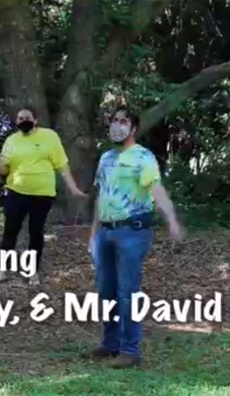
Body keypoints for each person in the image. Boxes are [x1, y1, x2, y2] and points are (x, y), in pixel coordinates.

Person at [82, 106, 184, 368]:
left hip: (133, 232)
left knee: (128, 291)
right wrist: (93, 234)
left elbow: (156, 190)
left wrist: (171, 220)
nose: (117, 125)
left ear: (133, 128)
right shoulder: (105, 158)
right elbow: (101, 197)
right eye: (114, 121)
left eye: (123, 121)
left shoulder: (143, 158)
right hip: (106, 231)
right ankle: (110, 343)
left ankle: (130, 350)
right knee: (106, 291)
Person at [0, 105, 86, 287]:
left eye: (27, 118)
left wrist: (73, 189)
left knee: (36, 232)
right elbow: (3, 170)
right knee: (10, 231)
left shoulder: (49, 136)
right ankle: (2, 269)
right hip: (16, 192)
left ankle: (32, 270)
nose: (23, 121)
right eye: (20, 119)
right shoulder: (11, 141)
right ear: (16, 122)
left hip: (42, 194)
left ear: (35, 120)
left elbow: (62, 165)